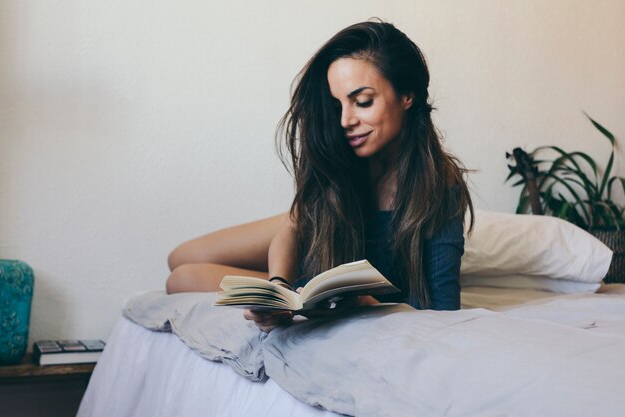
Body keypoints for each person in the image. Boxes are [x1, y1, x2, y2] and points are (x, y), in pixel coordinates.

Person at [166, 20, 473, 332]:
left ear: (407, 95)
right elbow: (295, 228)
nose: (345, 120)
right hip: (310, 235)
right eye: (337, 103)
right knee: (179, 257)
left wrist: (371, 306)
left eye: (363, 101)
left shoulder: (440, 186)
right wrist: (277, 287)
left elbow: (444, 309)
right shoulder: (341, 159)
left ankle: (300, 284)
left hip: (321, 278)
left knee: (182, 279)